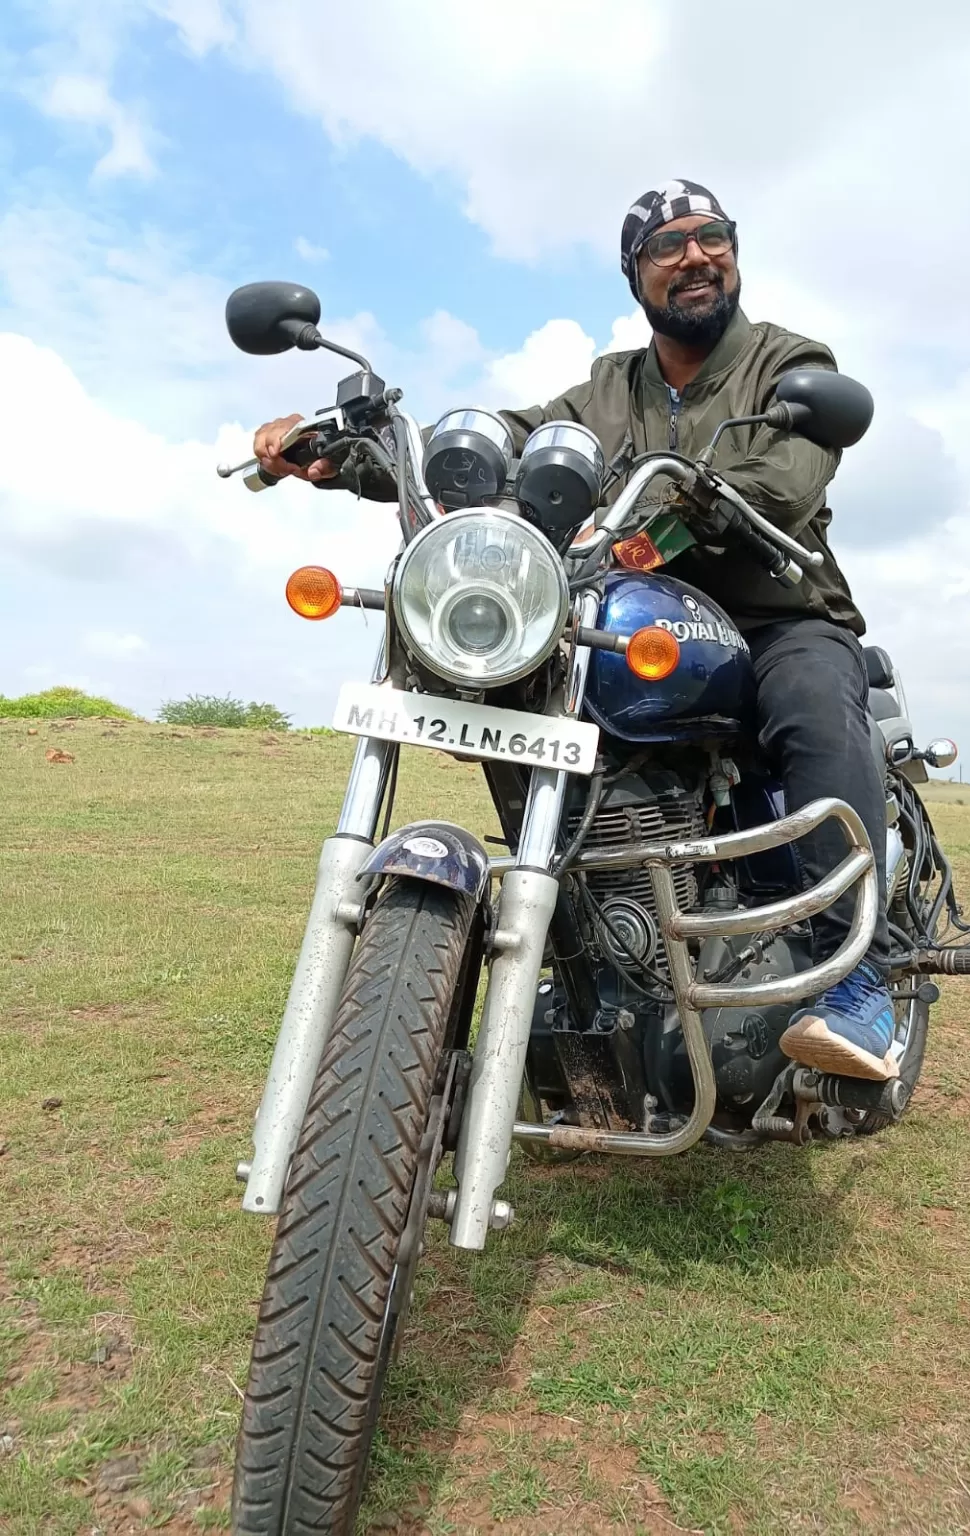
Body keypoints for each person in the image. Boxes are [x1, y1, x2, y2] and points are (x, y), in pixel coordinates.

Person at [253, 179, 897, 1082]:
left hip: (777, 611)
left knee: (814, 710)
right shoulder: (607, 389)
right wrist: (345, 452)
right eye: (666, 247)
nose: (694, 257)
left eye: (709, 237)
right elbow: (497, 442)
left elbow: (785, 477)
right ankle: (591, 944)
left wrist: (666, 502)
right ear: (636, 276)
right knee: (515, 679)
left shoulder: (787, 363)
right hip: (627, 614)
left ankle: (857, 975)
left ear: (734, 251)